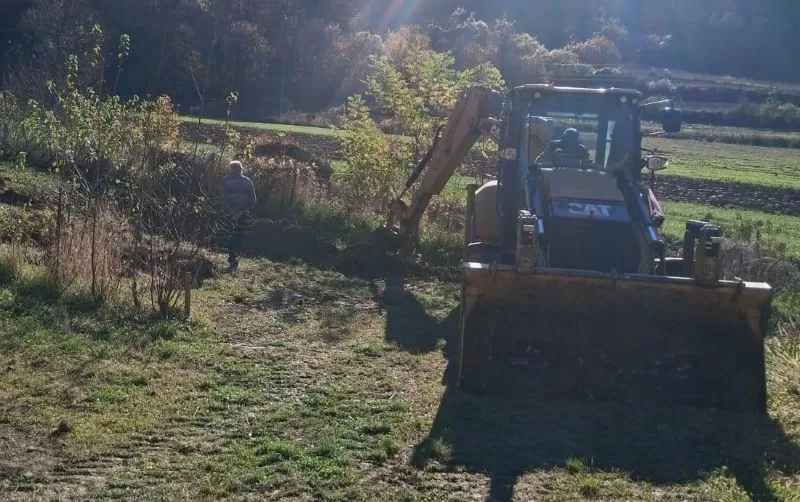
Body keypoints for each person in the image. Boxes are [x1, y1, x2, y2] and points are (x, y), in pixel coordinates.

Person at [220, 160, 257, 273]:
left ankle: (232, 258)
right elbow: (253, 200)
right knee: (238, 236)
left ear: (231, 169)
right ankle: (233, 258)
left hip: (229, 213)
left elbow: (222, 197)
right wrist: (244, 209)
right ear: (241, 169)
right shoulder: (247, 181)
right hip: (242, 213)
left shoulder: (226, 180)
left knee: (230, 235)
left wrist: (229, 210)